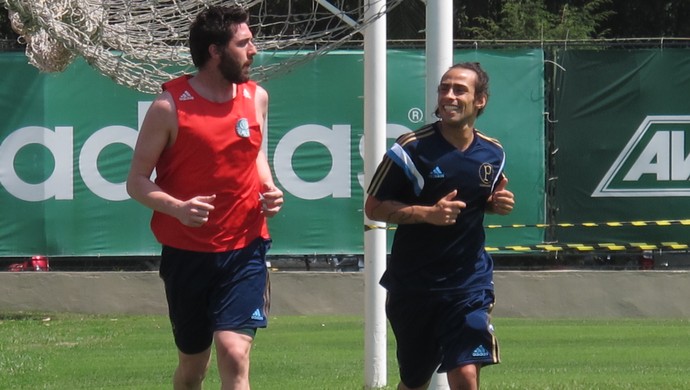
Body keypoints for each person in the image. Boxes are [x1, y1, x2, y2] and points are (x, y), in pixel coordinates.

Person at [126, 5, 283, 390]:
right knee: (193, 366)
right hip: (187, 256)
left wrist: (270, 188)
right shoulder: (169, 106)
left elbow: (256, 155)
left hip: (246, 247)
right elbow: (136, 181)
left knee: (234, 352)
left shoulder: (256, 96)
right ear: (215, 51)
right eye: (244, 43)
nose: (254, 51)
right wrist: (178, 208)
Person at [364, 62, 515, 390]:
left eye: (459, 89)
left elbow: (485, 196)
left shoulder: (492, 153)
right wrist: (426, 212)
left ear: (480, 101)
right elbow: (373, 207)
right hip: (414, 285)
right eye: (444, 88)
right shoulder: (411, 148)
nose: (449, 95)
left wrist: (494, 204)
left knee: (464, 373)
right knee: (414, 381)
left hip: (468, 283)